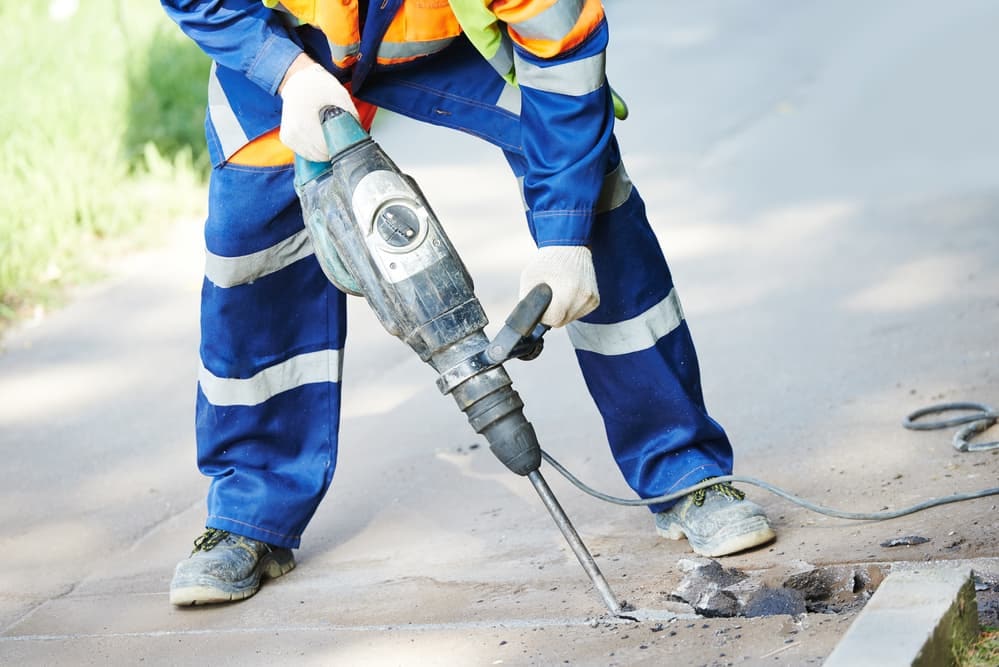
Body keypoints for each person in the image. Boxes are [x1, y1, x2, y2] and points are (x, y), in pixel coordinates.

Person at [161, 0, 776, 606]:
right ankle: (249, 516)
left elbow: (562, 51)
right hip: (288, 46)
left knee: (592, 195)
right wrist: (285, 73)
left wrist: (564, 238)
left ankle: (686, 472)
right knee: (251, 241)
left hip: (455, 43)